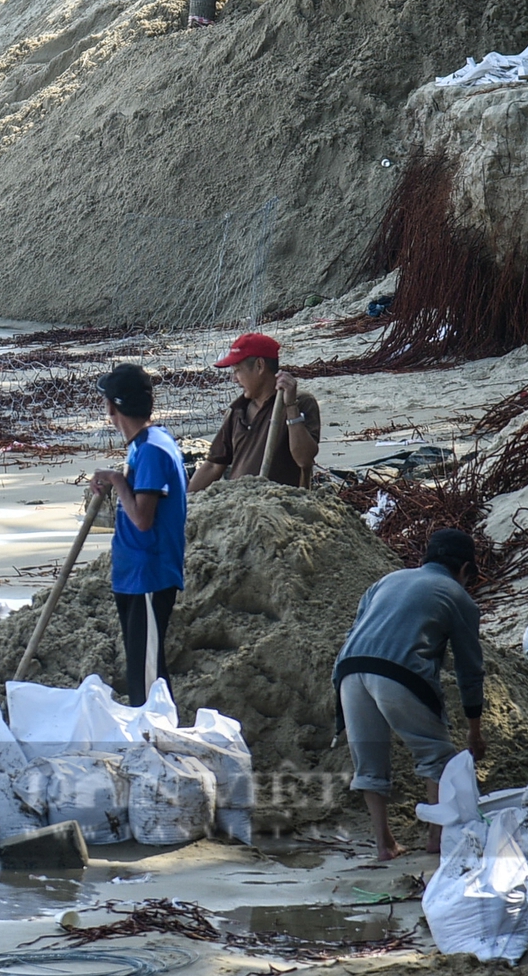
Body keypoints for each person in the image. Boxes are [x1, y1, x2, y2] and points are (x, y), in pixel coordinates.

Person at [333, 527, 487, 861]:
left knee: (370, 765)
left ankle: (384, 844)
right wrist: (474, 731)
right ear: (464, 570)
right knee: (438, 757)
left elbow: (353, 631)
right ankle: (437, 838)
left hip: (349, 671)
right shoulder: (458, 596)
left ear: (425, 559)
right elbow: (469, 670)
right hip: (398, 674)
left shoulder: (386, 581)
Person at [91, 364, 188, 706]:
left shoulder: (151, 450)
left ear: (111, 408)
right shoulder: (146, 444)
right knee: (142, 665)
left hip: (149, 574)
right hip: (134, 574)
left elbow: (143, 519)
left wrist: (117, 481)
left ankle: (154, 735)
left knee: (148, 678)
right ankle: (150, 729)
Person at [188, 332, 321, 492]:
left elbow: (305, 460)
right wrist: (186, 503)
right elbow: (213, 466)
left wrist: (291, 407)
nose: (234, 379)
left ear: (259, 366)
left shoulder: (300, 403)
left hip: (281, 506)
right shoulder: (237, 411)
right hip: (240, 506)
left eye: (237, 370)